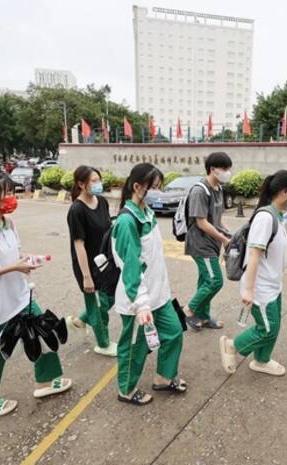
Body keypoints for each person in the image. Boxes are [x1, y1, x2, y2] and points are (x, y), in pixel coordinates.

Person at [0, 173, 72, 418]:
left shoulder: (8, 223)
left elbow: (12, 255)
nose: (12, 196)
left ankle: (46, 381)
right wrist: (13, 267)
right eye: (7, 192)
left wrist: (26, 261)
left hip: (20, 298)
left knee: (43, 333)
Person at [219, 170, 287, 377]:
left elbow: (274, 247)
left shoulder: (277, 216)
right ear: (284, 192)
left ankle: (261, 361)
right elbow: (254, 254)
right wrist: (249, 290)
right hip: (260, 286)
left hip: (273, 284)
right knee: (268, 328)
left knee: (274, 324)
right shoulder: (265, 217)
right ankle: (231, 346)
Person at [112, 163, 186, 406]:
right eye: (154, 187)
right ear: (137, 187)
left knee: (174, 331)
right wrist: (142, 304)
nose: (157, 192)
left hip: (159, 295)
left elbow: (153, 259)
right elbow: (131, 267)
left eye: (159, 187)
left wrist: (164, 289)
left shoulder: (147, 212)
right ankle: (126, 389)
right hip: (138, 301)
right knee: (135, 347)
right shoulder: (126, 221)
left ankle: (164, 378)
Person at [65, 166, 116, 357]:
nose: (98, 184)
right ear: (81, 184)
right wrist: (86, 276)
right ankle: (103, 344)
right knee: (99, 306)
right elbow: (79, 244)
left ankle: (80, 320)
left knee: (109, 298)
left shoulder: (101, 201)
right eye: (93, 181)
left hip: (105, 263)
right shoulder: (77, 210)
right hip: (87, 266)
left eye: (98, 180)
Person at [182, 152, 233, 330]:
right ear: (212, 169)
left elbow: (217, 219)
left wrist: (227, 234)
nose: (228, 172)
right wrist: (224, 240)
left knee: (205, 281)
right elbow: (201, 222)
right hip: (200, 244)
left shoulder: (218, 189)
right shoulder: (200, 191)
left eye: (229, 168)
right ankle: (189, 310)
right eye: (224, 169)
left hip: (212, 243)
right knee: (214, 281)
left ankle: (203, 317)